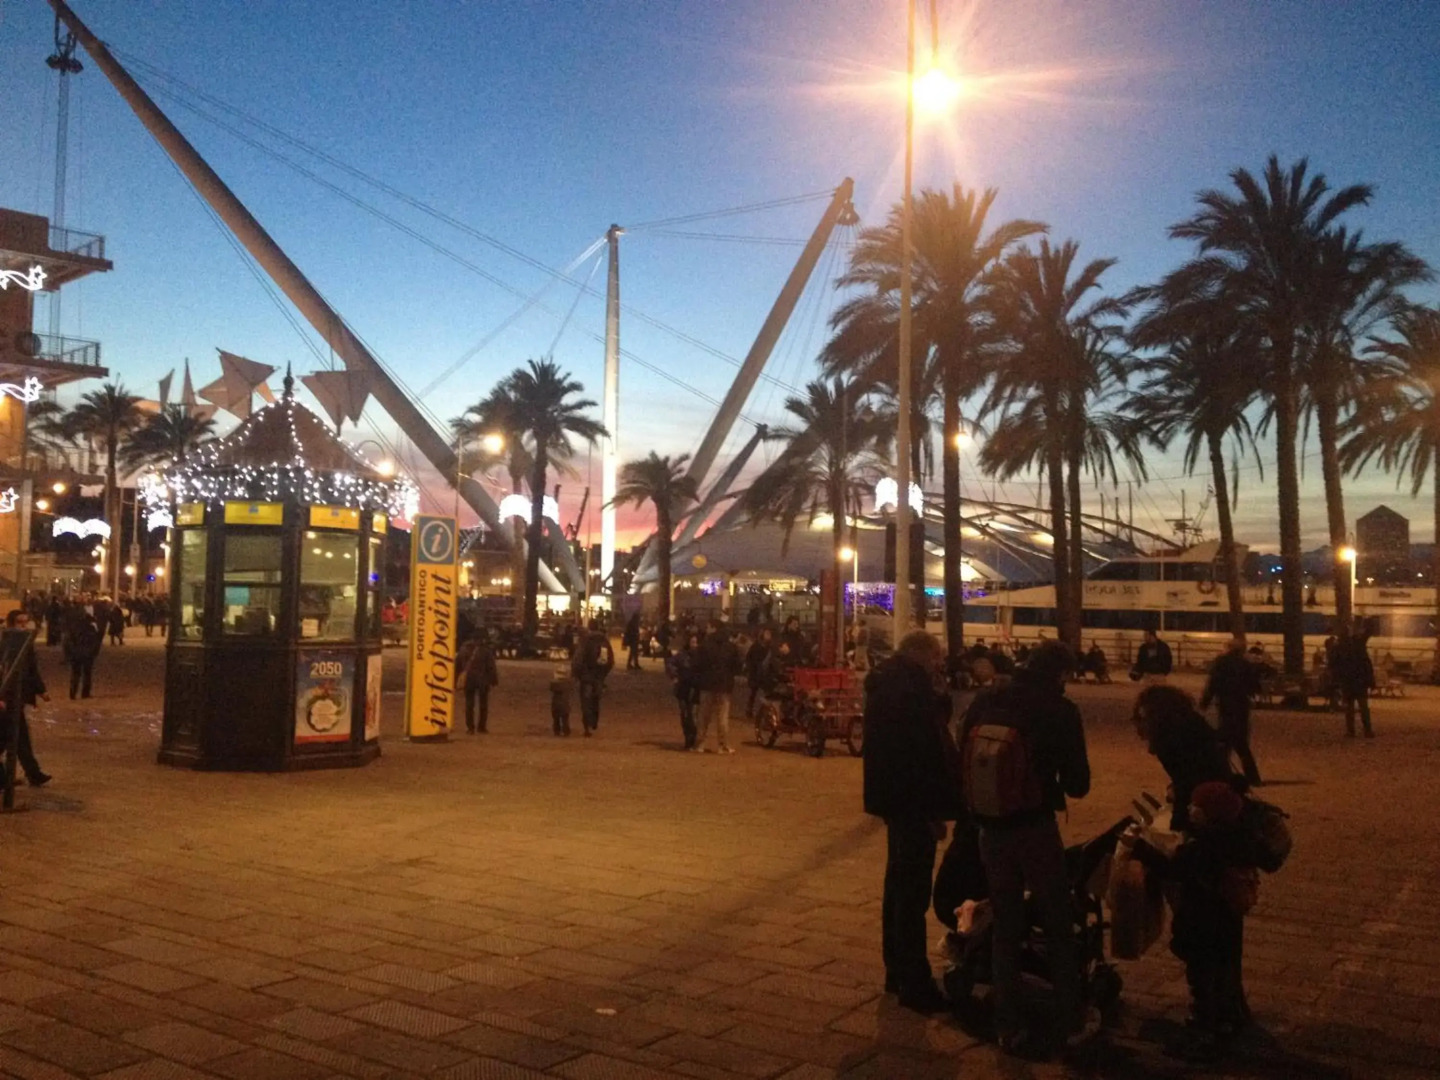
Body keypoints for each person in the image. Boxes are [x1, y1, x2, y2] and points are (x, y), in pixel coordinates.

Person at [960, 641, 1091, 1056]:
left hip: (990, 827)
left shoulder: (988, 697)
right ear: (1061, 674)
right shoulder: (1059, 709)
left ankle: (1007, 1024)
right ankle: (1071, 1019)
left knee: (1006, 924)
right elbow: (1078, 783)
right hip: (1035, 827)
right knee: (1056, 921)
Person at [862, 630, 959, 1014]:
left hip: (891, 798)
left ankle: (896, 970)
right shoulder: (912, 689)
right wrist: (932, 811)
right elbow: (924, 753)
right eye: (936, 656)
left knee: (896, 887)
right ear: (922, 654)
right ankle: (914, 981)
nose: (939, 664)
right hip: (912, 801)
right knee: (912, 893)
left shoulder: (884, 683)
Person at [1132, 781, 1259, 1062]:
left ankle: (1205, 1031)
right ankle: (1226, 1021)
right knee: (1221, 975)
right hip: (1226, 925)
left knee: (1202, 980)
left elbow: (1174, 869)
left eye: (1196, 806)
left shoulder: (1204, 846)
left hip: (1202, 924)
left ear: (1208, 814)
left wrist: (1142, 850)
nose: (1190, 809)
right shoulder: (1234, 839)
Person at [1132, 683, 1240, 831]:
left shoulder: (1169, 739)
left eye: (1144, 717)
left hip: (1206, 799)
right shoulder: (1188, 723)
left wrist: (1178, 824)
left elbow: (1186, 782)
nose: (1141, 723)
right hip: (1219, 790)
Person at [1200, 637, 1264, 785]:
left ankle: (1221, 773)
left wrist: (1204, 703)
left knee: (1224, 742)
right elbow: (1255, 686)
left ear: (1228, 648)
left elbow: (1212, 684)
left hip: (1226, 705)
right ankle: (1253, 777)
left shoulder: (1221, 663)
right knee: (1241, 744)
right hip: (1241, 706)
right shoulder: (1246, 664)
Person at [0, 610, 52, 787]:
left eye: (25, 622)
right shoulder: (7, 644)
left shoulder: (24, 644)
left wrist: (41, 690)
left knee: (18, 737)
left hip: (15, 698)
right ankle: (25, 775)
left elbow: (31, 670)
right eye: (19, 622)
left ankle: (31, 773)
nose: (23, 626)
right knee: (13, 737)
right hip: (7, 699)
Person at [692, 621, 742, 754]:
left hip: (707, 684)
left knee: (703, 716)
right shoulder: (731, 646)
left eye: (709, 627)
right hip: (724, 685)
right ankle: (723, 745)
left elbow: (697, 664)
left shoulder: (705, 645)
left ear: (714, 629)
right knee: (722, 716)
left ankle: (700, 744)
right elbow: (737, 666)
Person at [1331, 622, 1376, 738]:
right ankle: (1367, 730)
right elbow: (1366, 664)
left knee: (1349, 708)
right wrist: (1370, 680)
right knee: (1363, 707)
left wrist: (1337, 680)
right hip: (1360, 680)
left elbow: (1334, 664)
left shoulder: (1339, 647)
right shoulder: (1358, 644)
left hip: (1347, 681)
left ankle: (1351, 731)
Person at [572, 619, 615, 736]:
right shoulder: (604, 640)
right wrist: (604, 674)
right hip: (599, 675)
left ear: (589, 627)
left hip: (586, 675)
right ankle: (594, 721)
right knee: (595, 699)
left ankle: (587, 727)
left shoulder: (586, 640)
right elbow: (610, 660)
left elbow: (578, 658)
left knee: (586, 701)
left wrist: (576, 673)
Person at [458, 630, 499, 734]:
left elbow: (458, 665)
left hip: (469, 679)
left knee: (469, 704)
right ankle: (481, 727)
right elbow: (491, 667)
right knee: (483, 705)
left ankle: (470, 727)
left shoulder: (464, 649)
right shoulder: (486, 650)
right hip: (482, 680)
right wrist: (494, 680)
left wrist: (456, 679)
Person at [666, 632, 701, 750]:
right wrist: (675, 676)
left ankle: (694, 738)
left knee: (694, 715)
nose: (695, 645)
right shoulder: (682, 655)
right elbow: (670, 662)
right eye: (693, 642)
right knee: (685, 714)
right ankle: (688, 738)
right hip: (683, 688)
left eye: (696, 642)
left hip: (696, 689)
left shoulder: (701, 656)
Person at [62, 611, 101, 700]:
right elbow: (96, 642)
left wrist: (69, 654)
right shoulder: (91, 629)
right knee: (87, 674)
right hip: (87, 655)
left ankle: (72, 693)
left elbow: (67, 642)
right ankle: (85, 693)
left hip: (76, 655)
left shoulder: (73, 629)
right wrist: (93, 653)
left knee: (75, 674)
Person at [743, 628, 774, 719]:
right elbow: (749, 658)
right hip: (755, 673)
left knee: (766, 693)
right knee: (753, 693)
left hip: (765, 673)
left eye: (769, 634)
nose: (768, 636)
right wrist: (751, 668)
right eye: (766, 634)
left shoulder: (770, 647)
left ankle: (765, 712)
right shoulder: (755, 646)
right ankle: (749, 710)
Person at [549, 664, 573, 737]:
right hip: (565, 704)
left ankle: (557, 731)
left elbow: (551, 688)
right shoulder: (568, 683)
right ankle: (566, 731)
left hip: (556, 705)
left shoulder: (554, 683)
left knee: (556, 719)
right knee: (565, 719)